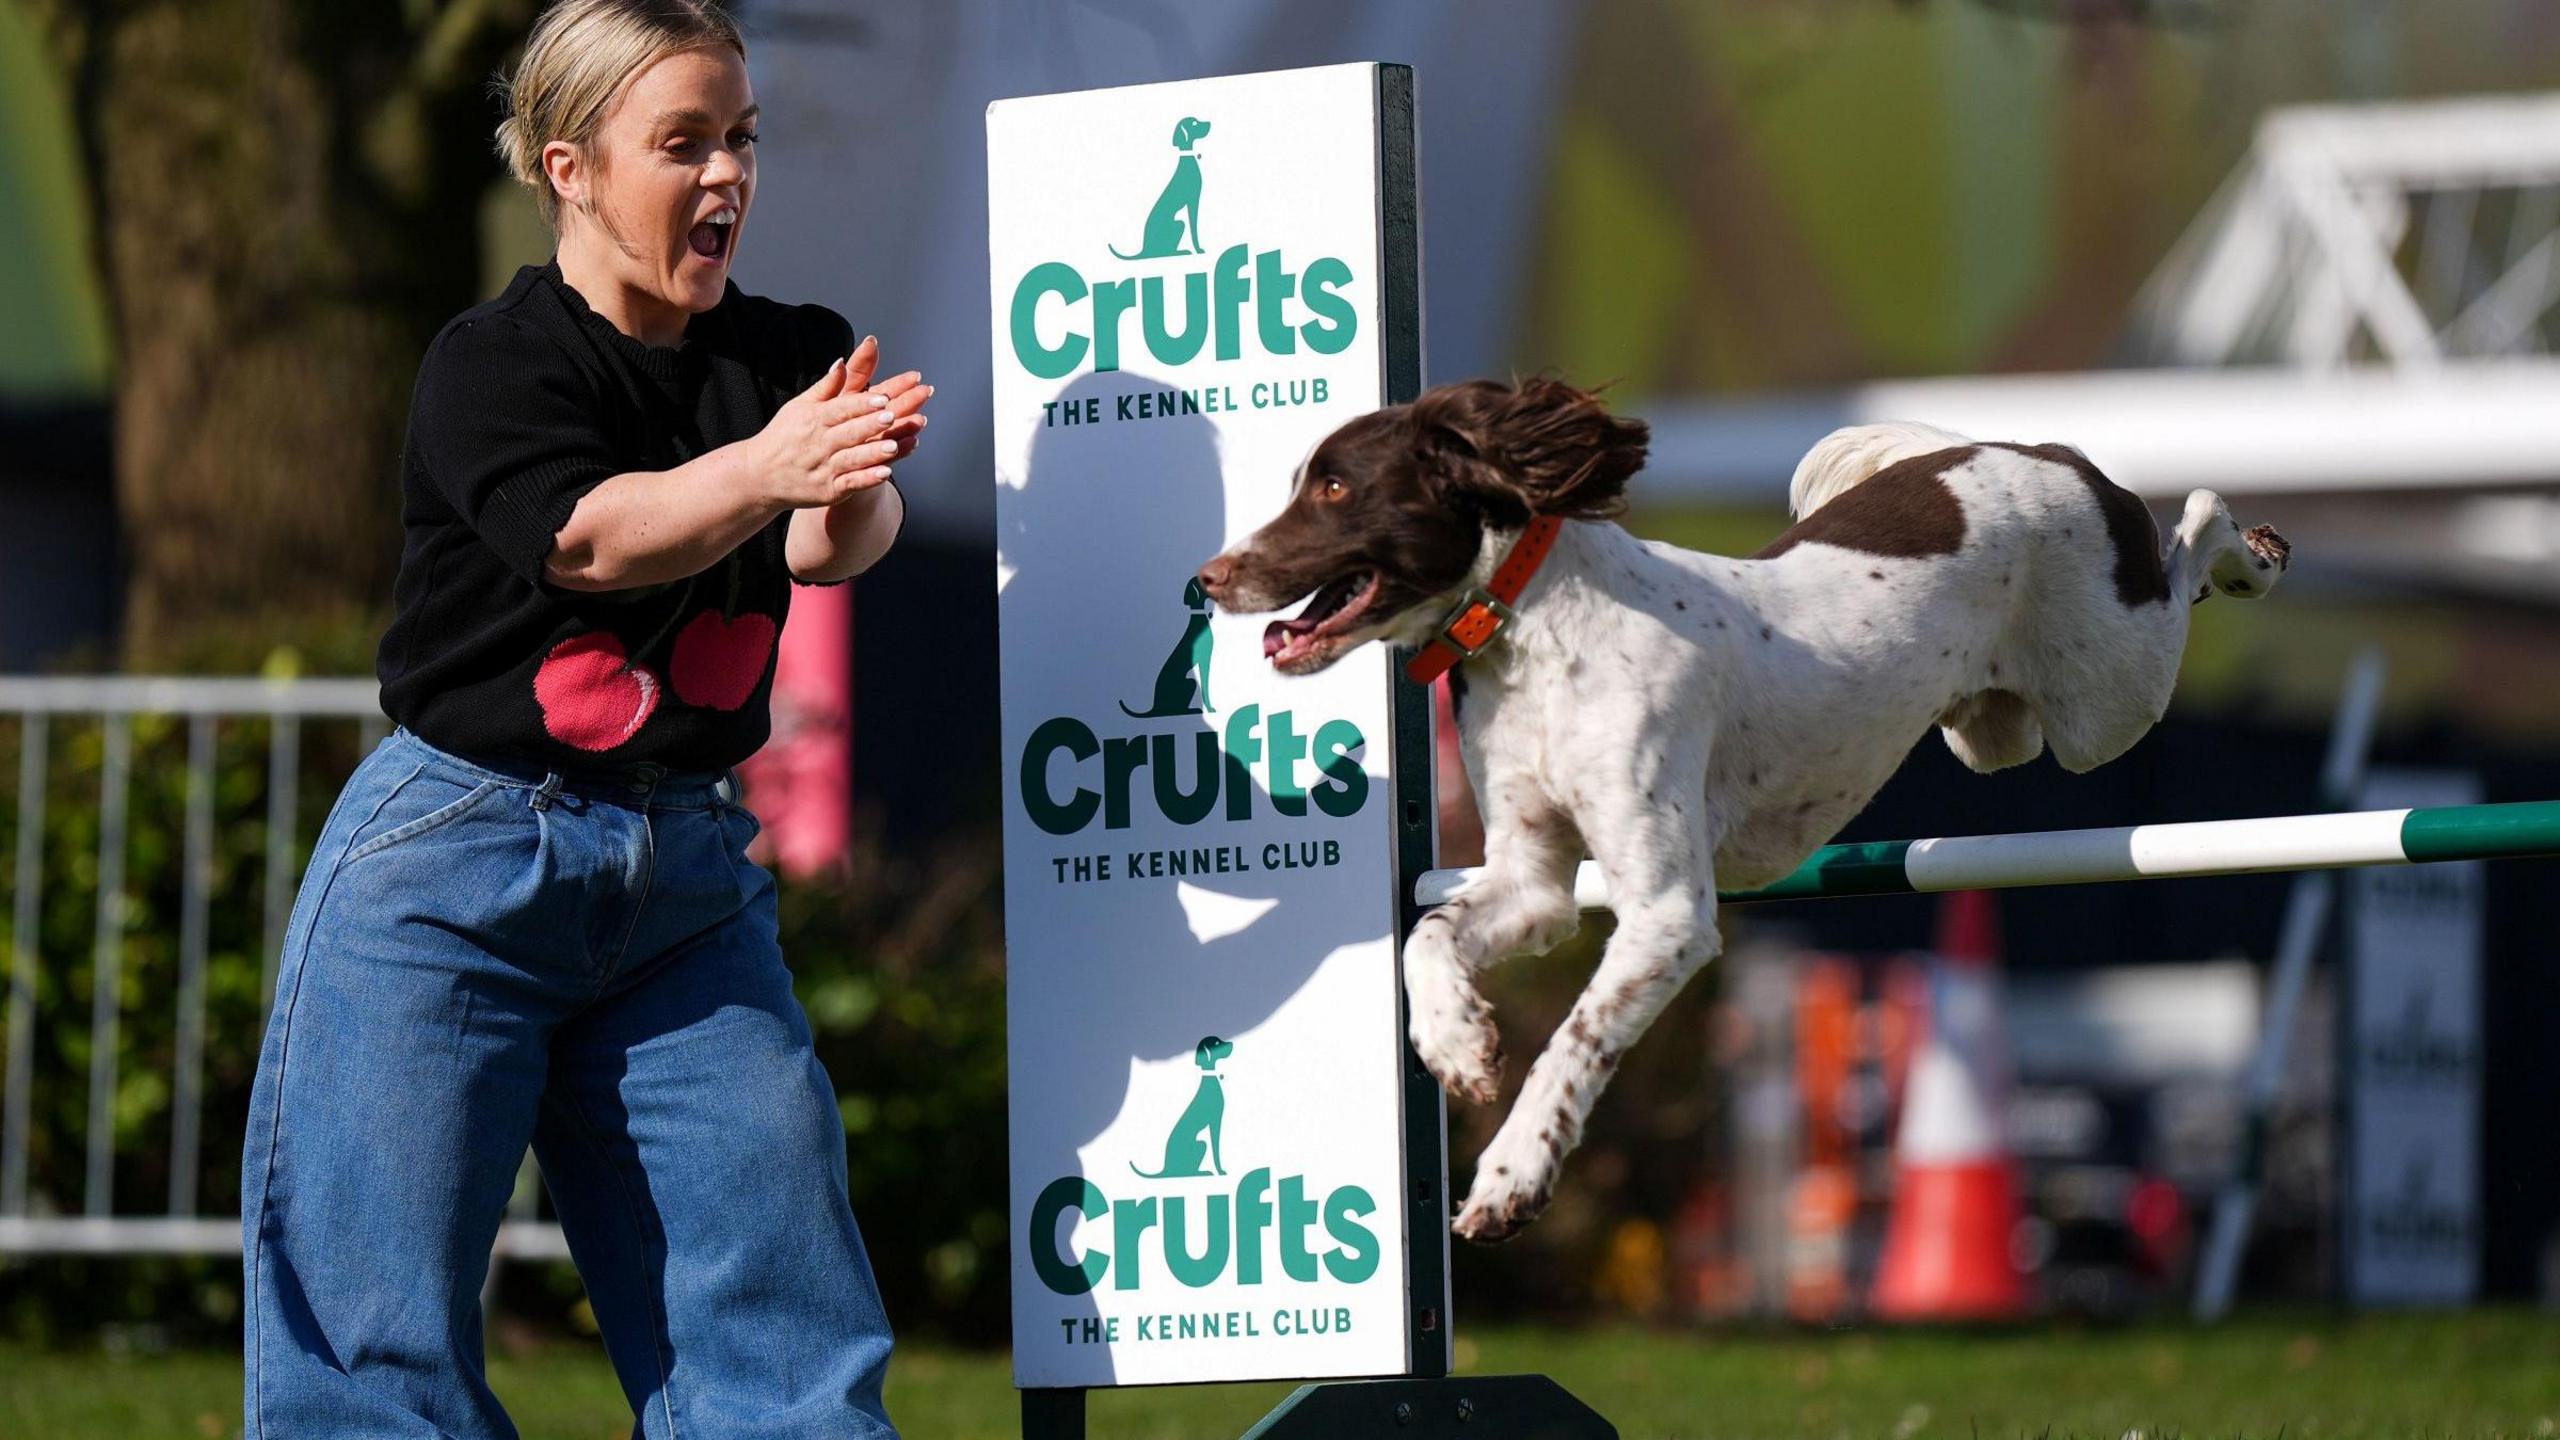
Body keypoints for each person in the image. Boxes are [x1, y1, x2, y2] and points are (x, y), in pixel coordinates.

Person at [238, 2, 925, 1434]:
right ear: (571, 166)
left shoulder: (784, 349)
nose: (727, 174)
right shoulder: (495, 365)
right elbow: (596, 541)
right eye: (683, 143)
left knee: (788, 1357)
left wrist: (847, 474)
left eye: (741, 137)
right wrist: (776, 460)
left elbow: (821, 551)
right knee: (372, 1364)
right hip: (453, 870)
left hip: (683, 887)